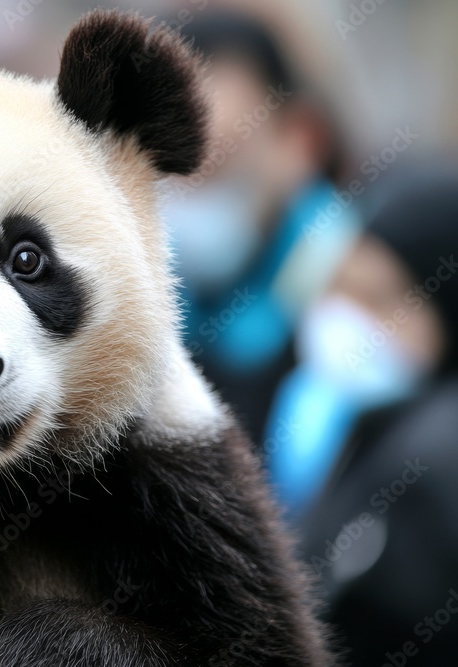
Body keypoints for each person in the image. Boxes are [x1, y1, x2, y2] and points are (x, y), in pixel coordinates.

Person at [274, 176, 458, 664]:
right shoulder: (368, 428)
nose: (344, 317)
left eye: (378, 300)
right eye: (338, 288)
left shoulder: (429, 471)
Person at [165, 9, 357, 443]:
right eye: (166, 168)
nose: (188, 192)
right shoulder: (157, 309)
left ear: (300, 140)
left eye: (218, 160)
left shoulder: (363, 322)